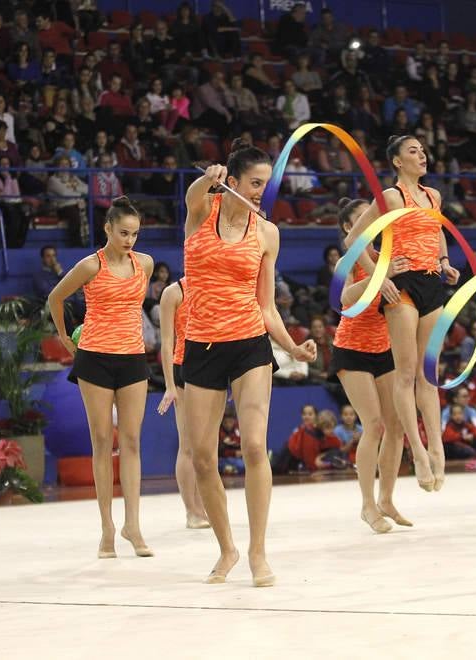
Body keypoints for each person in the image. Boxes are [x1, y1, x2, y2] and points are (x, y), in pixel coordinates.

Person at [182, 139, 316, 587]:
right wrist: (208, 178)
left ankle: (259, 552)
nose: (261, 191)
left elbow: (266, 306)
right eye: (254, 183)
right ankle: (228, 549)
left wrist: (293, 347)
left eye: (266, 184)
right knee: (203, 457)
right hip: (200, 345)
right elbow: (192, 196)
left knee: (255, 446)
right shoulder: (203, 211)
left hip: (248, 345)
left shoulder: (267, 233)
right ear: (232, 181)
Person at [345, 135, 461, 492]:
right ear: (397, 161)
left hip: (431, 282)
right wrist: (379, 277)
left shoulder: (433, 196)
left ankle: (437, 448)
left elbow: (437, 230)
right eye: (413, 151)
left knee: (429, 375)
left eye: (423, 150)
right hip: (403, 284)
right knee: (406, 373)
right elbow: (353, 240)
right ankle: (419, 453)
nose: (422, 155)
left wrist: (444, 260)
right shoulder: (391, 197)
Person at [47, 197, 155, 559]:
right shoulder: (89, 265)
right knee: (101, 441)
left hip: (132, 358)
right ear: (107, 229)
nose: (129, 240)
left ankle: (133, 526)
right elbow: (55, 297)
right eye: (123, 233)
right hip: (94, 357)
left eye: (135, 234)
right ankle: (107, 529)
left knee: (133, 441)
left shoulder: (145, 264)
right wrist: (65, 337)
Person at [333, 198, 411, 533]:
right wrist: (381, 275)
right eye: (363, 218)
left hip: (384, 349)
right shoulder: (350, 260)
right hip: (352, 349)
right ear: (350, 228)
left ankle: (387, 499)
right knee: (374, 424)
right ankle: (367, 505)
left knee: (397, 428)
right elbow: (345, 300)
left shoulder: (386, 259)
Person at [156, 278, 210, 529]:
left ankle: (206, 506)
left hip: (212, 366)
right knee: (188, 444)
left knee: (207, 446)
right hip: (184, 367)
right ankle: (192, 511)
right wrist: (169, 385)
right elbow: (166, 343)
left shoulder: (214, 285)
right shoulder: (173, 292)